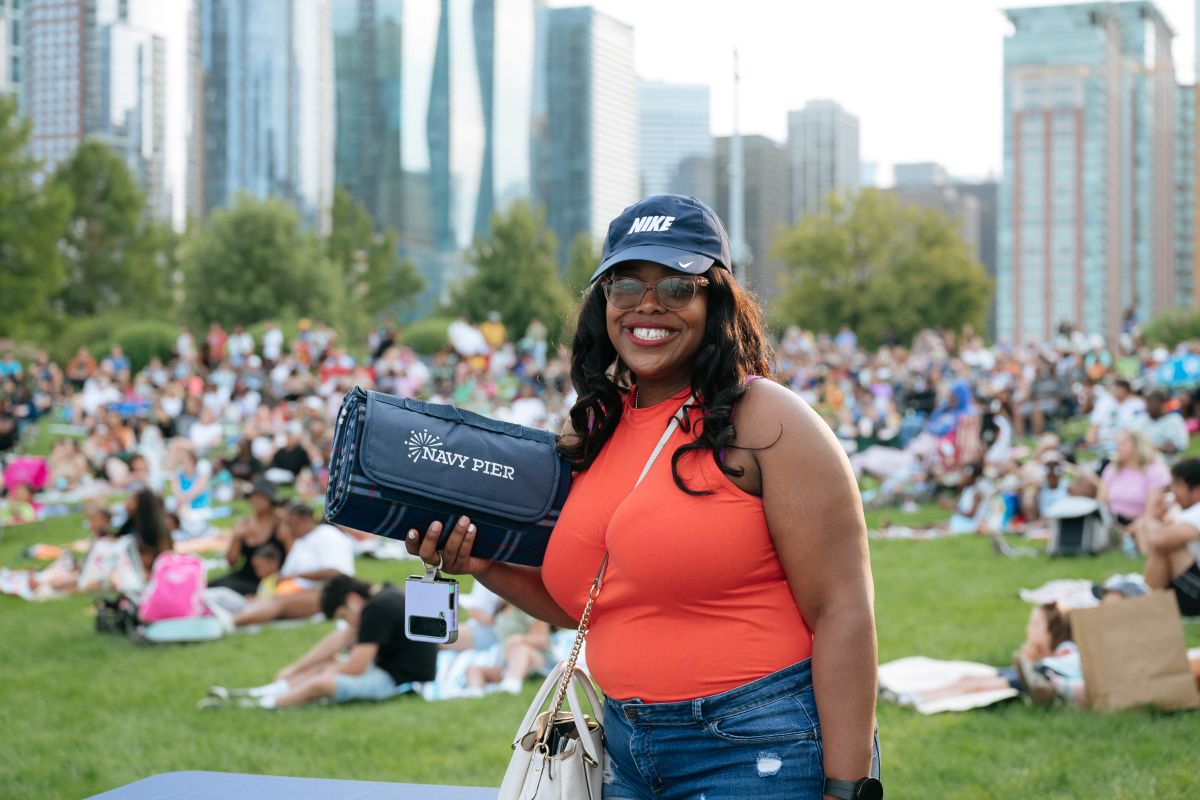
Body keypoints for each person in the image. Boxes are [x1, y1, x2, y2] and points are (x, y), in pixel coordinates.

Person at [406, 195, 880, 798]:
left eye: (678, 286)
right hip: (625, 751)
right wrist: (479, 564)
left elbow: (844, 612)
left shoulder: (771, 421)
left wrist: (847, 790)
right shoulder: (592, 428)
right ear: (603, 302)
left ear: (717, 302)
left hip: (760, 748)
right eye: (626, 283)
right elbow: (589, 604)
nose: (648, 305)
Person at [201, 575, 438, 709]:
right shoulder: (383, 593)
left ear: (353, 600)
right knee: (327, 665)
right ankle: (267, 691)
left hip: (399, 679)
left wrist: (319, 673)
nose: (347, 622)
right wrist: (296, 669)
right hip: (392, 666)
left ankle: (264, 704)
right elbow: (340, 639)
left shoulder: (378, 610)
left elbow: (355, 667)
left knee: (323, 682)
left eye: (344, 616)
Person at [231, 502, 355, 626]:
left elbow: (336, 572)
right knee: (263, 601)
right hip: (299, 591)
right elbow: (285, 574)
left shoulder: (327, 534)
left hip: (330, 592)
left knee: (278, 602)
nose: (290, 530)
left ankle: (230, 623)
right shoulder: (300, 541)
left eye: (293, 525)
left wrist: (296, 575)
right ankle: (233, 618)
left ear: (306, 520)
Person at [1136, 458, 1200, 618]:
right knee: (1166, 546)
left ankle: (1145, 602)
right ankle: (1146, 601)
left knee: (1168, 547)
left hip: (1196, 596)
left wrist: (1151, 516)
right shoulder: (1184, 510)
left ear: (1197, 490)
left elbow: (1158, 541)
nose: (1173, 490)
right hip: (1190, 584)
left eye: (1178, 485)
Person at [208, 481, 286, 596]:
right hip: (246, 575)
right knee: (211, 586)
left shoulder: (280, 523)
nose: (256, 500)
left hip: (271, 579)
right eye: (254, 496)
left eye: (261, 497)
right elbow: (231, 562)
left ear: (270, 500)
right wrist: (236, 537)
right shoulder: (243, 524)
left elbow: (292, 555)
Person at [1098, 429, 1170, 533]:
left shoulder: (1155, 471)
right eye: (1117, 444)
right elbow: (1101, 502)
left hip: (1142, 523)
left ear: (1137, 445)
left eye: (1122, 444)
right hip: (1113, 522)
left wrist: (1128, 530)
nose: (1117, 448)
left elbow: (1152, 511)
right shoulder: (1112, 469)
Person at [1144, 389, 1189, 460]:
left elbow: (1180, 445)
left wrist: (1153, 448)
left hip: (1169, 463)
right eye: (1147, 402)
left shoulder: (1174, 420)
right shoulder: (1141, 420)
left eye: (1152, 402)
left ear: (1162, 403)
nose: (1148, 406)